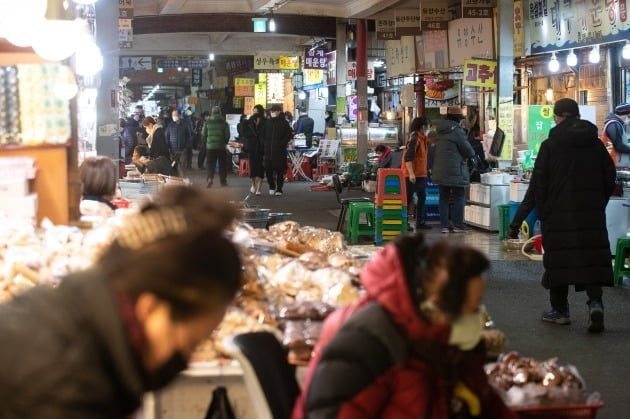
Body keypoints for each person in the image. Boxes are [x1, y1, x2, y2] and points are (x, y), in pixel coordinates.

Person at [0, 186, 242, 418]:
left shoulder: (69, 315)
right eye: (191, 343)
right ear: (150, 308)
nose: (185, 362)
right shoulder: (67, 385)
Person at [292, 234, 516, 419]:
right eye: (473, 308)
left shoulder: (449, 343)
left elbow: (486, 402)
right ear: (435, 306)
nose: (479, 317)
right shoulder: (365, 342)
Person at [532, 98, 616, 333]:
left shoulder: (551, 144)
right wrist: (599, 202)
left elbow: (539, 182)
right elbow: (610, 177)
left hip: (558, 213)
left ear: (558, 117)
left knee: (559, 260)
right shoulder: (595, 143)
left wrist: (544, 210)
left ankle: (560, 311)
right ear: (577, 116)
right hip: (591, 211)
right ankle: (595, 303)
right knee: (590, 258)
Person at [433, 106, 476, 234]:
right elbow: (467, 149)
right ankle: (458, 224)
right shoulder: (456, 131)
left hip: (441, 169)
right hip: (455, 170)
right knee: (459, 196)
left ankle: (444, 225)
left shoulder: (440, 130)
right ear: (457, 119)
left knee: (444, 197)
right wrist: (473, 155)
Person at [403, 116, 432, 231]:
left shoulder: (422, 139)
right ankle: (404, 223)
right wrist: (411, 173)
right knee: (408, 199)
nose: (428, 128)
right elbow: (408, 157)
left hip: (420, 174)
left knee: (422, 197)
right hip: (412, 175)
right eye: (428, 126)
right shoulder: (414, 138)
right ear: (423, 127)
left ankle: (420, 222)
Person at [263, 104, 292, 196]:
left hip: (279, 151)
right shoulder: (268, 122)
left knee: (280, 170)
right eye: (272, 111)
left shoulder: (284, 123)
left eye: (275, 111)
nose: (273, 113)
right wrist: (265, 143)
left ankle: (279, 188)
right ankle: (271, 186)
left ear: (279, 111)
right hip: (268, 151)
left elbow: (289, 135)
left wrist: (282, 143)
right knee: (268, 170)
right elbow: (263, 135)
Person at [202, 106, 231, 188]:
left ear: (212, 112)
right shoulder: (224, 122)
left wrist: (207, 142)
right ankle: (223, 181)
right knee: (222, 164)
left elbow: (203, 134)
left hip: (210, 147)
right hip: (221, 147)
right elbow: (227, 135)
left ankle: (210, 179)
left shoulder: (207, 122)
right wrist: (224, 142)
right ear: (220, 112)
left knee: (210, 164)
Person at [245, 104, 266, 195]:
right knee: (253, 167)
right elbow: (244, 132)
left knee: (261, 168)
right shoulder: (249, 121)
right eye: (254, 111)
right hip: (252, 146)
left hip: (262, 147)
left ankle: (259, 188)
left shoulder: (265, 122)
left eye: (257, 111)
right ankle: (253, 184)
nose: (255, 113)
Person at [165, 109, 192, 178]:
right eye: (173, 115)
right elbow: (167, 137)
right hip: (173, 150)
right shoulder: (170, 125)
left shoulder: (185, 125)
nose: (174, 116)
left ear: (180, 116)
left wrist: (186, 147)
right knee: (174, 166)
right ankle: (176, 181)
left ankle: (183, 181)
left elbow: (189, 137)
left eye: (176, 115)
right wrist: (168, 148)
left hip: (182, 149)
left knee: (182, 166)